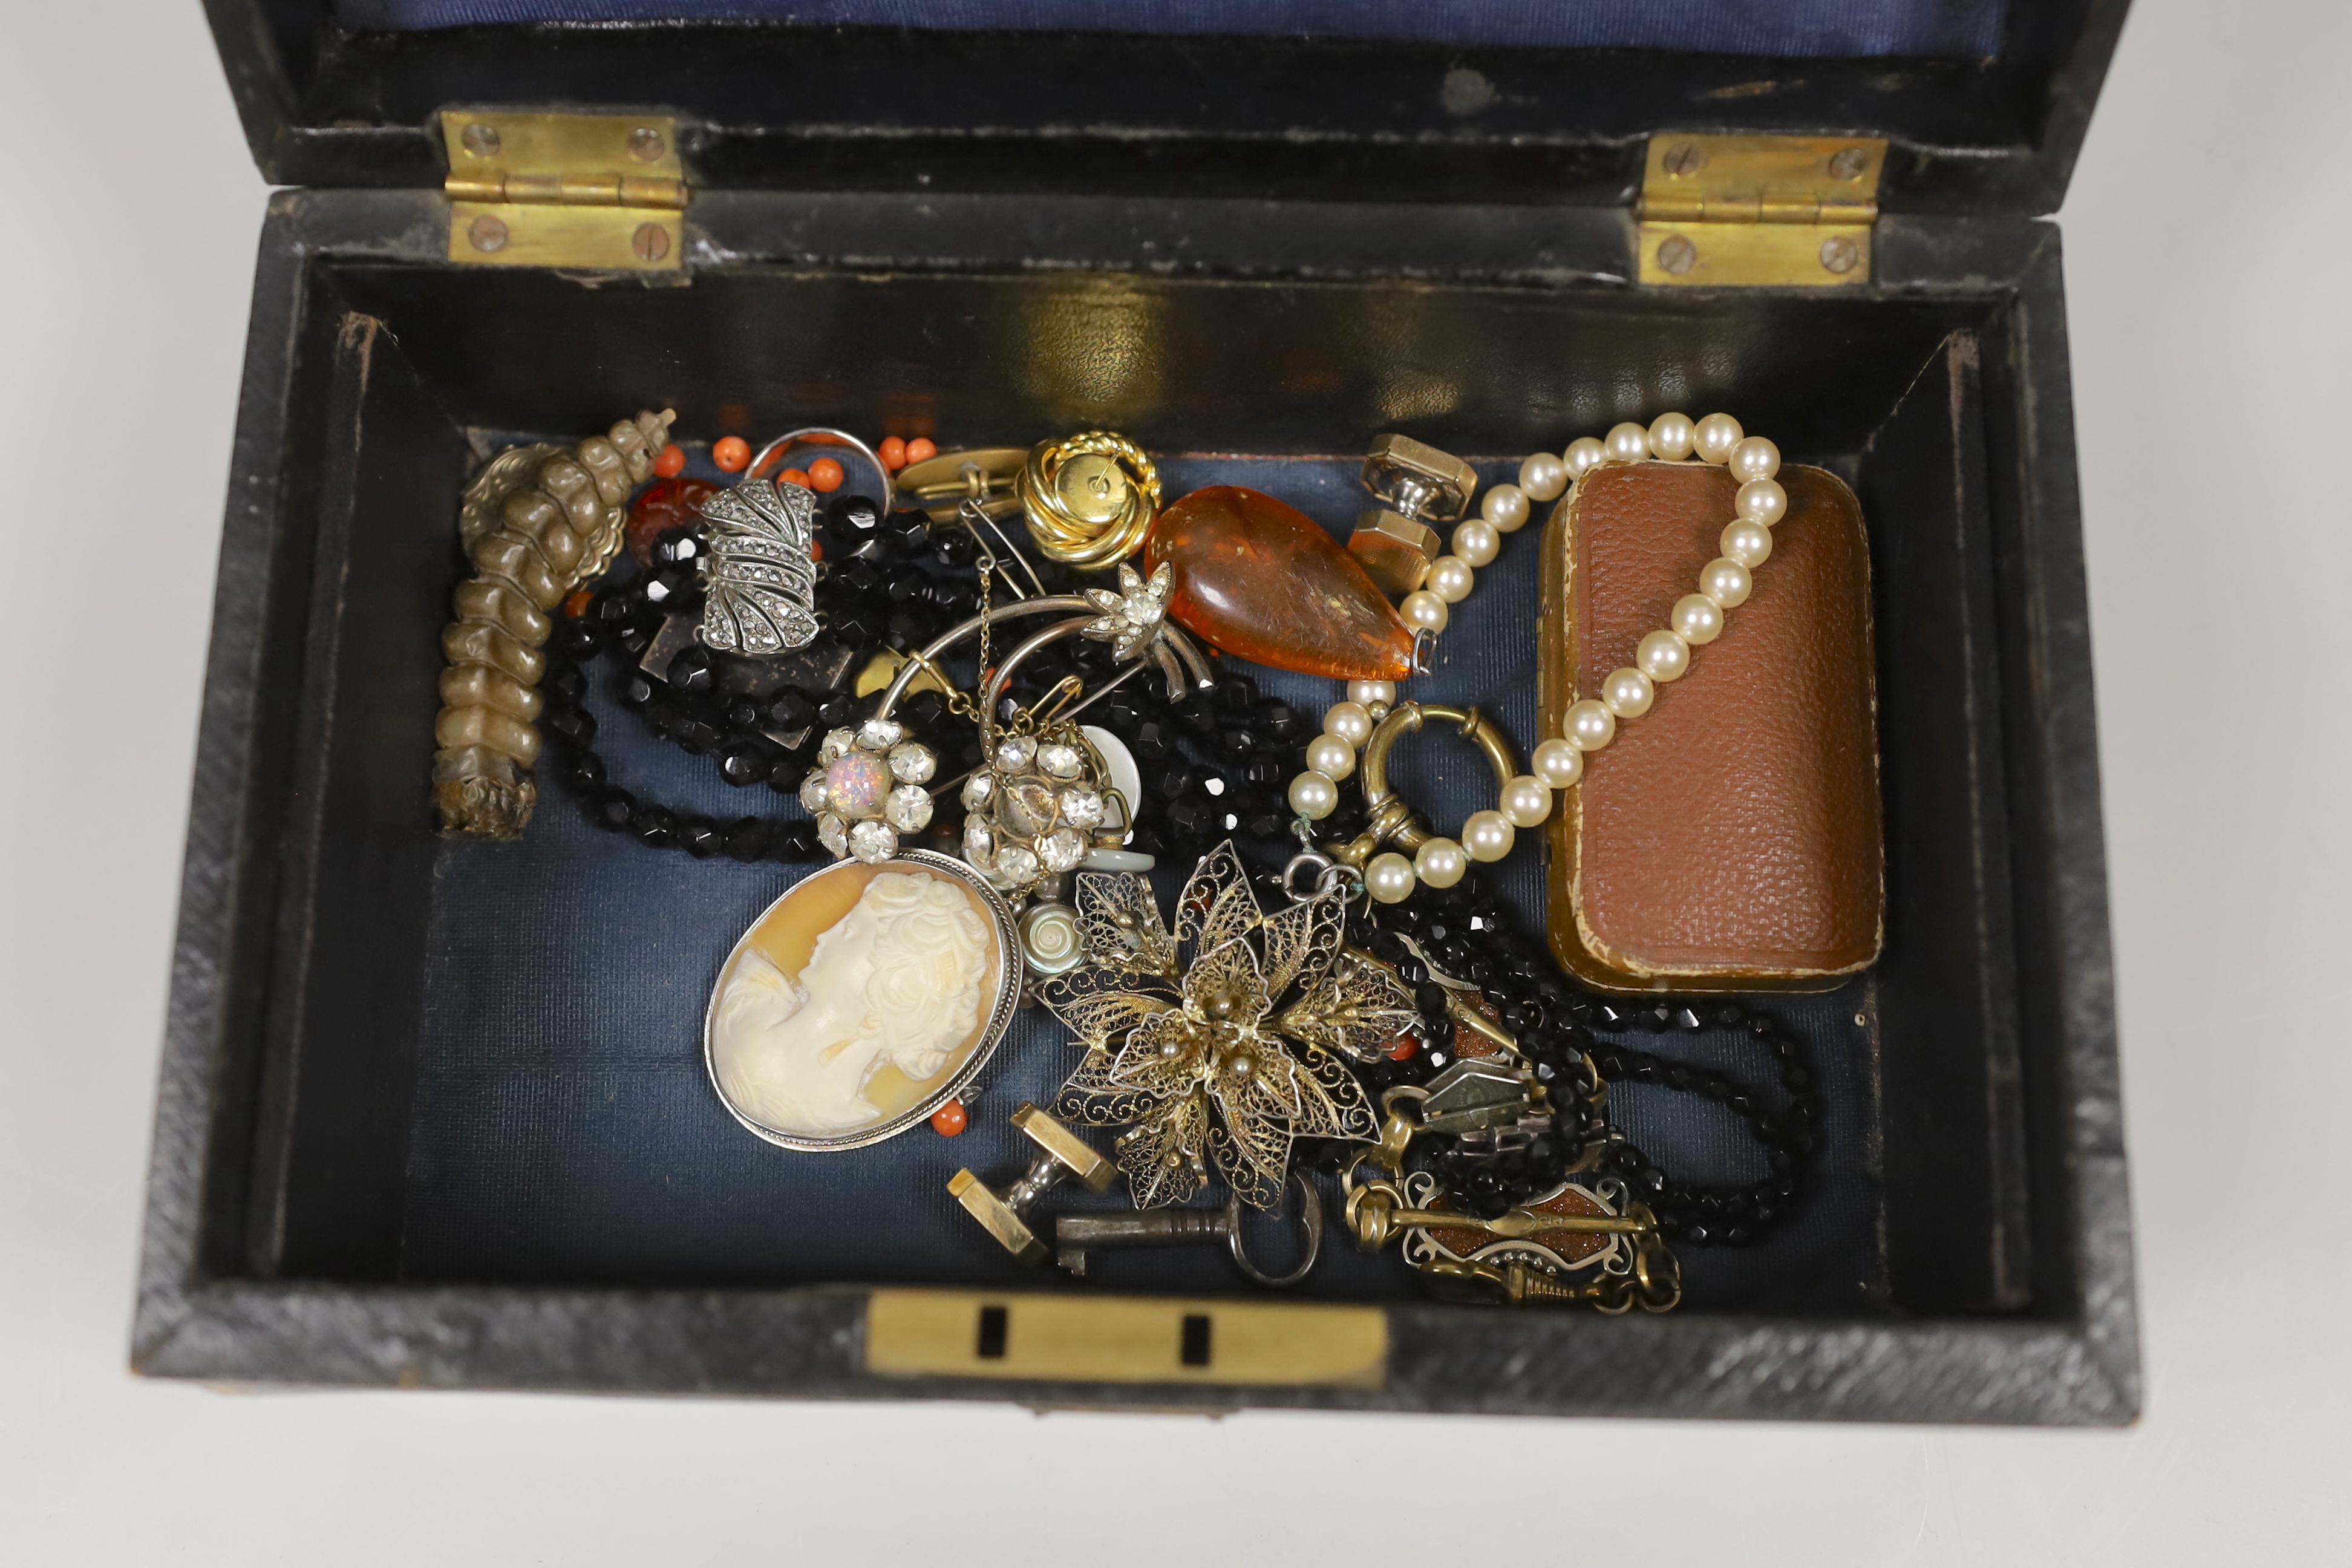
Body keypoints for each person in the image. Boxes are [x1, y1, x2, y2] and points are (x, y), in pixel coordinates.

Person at [711, 871, 992, 1135]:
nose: (823, 936)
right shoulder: (745, 997)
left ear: (892, 983)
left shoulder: (844, 1118)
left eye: (849, 930)